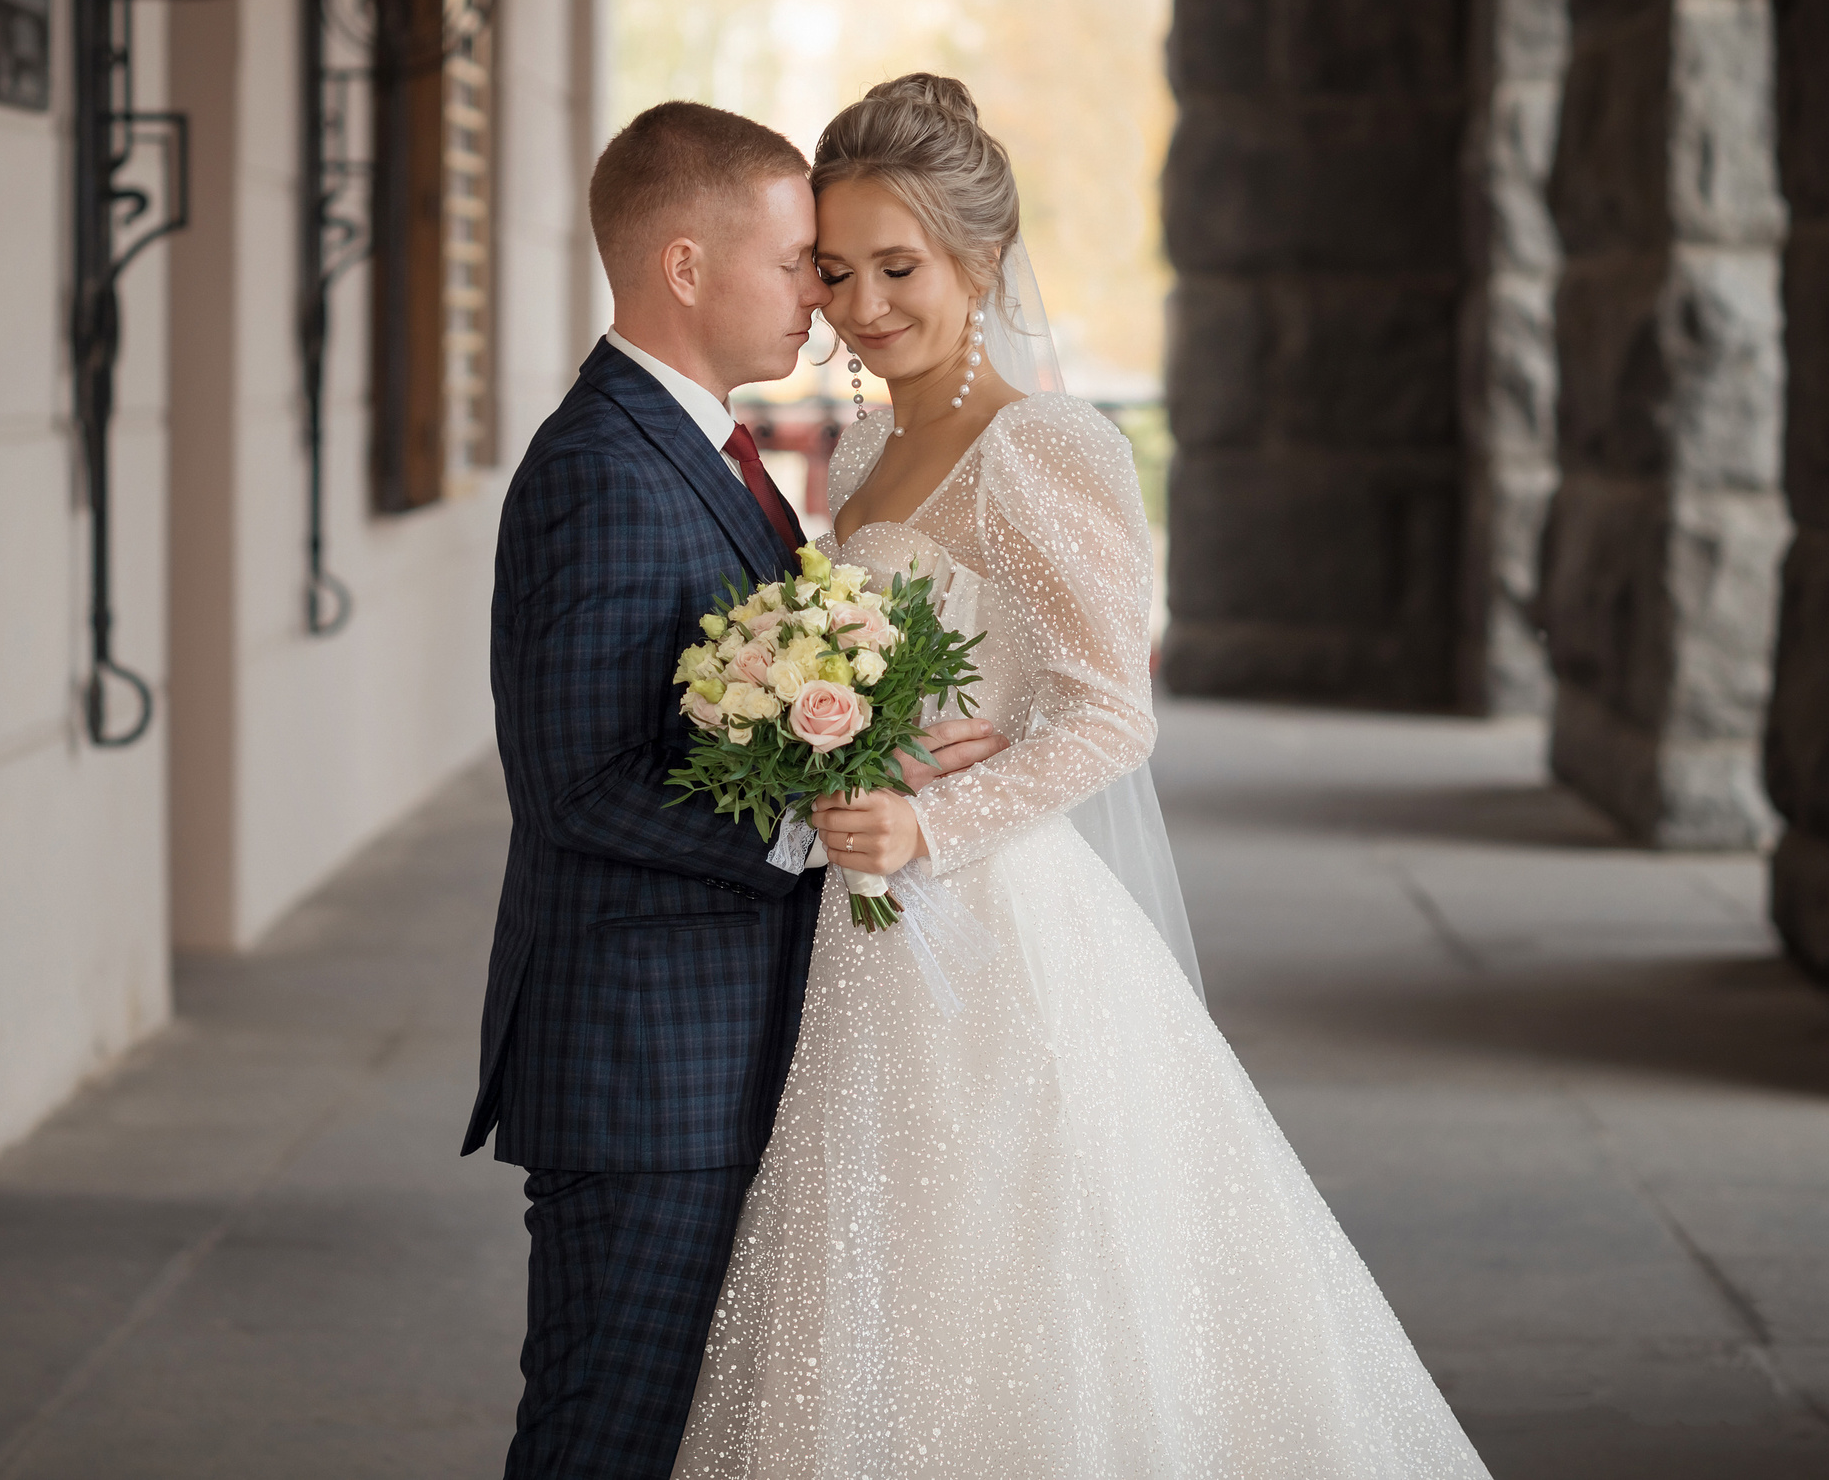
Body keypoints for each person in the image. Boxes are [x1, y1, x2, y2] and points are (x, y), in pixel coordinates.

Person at [670, 76, 1494, 1478]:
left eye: (898, 268)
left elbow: (1112, 712)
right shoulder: (867, 444)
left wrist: (925, 821)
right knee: (880, 1281)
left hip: (995, 925)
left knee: (1023, 1269)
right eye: (835, 271)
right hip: (873, 936)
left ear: (980, 266)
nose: (863, 308)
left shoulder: (1043, 447)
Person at [466, 99, 1008, 1480]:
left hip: (716, 1047)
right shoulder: (601, 467)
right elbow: (576, 786)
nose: (823, 307)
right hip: (649, 1070)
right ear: (688, 268)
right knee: (606, 1435)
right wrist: (814, 830)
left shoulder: (702, 443)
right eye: (796, 266)